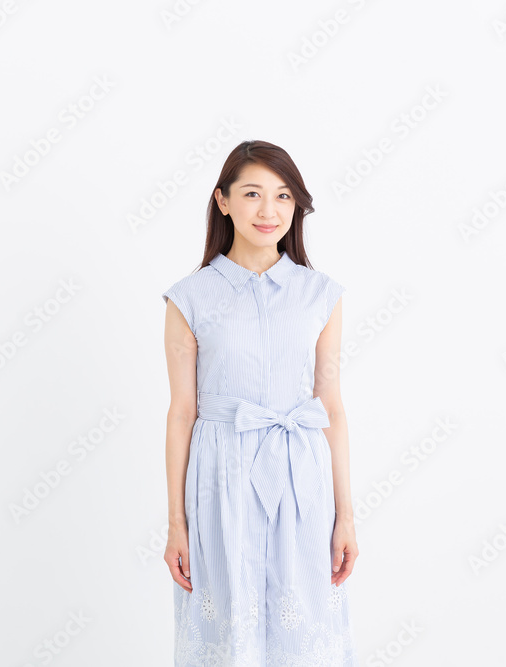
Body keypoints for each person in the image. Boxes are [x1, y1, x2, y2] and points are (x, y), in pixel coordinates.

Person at [161, 140, 360, 665]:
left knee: (304, 632)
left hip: (302, 476)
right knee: (228, 630)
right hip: (220, 476)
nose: (268, 210)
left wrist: (345, 515)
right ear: (223, 201)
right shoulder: (189, 298)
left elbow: (332, 408)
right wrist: (176, 522)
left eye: (283, 196)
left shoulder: (320, 294)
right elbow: (182, 413)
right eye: (252, 193)